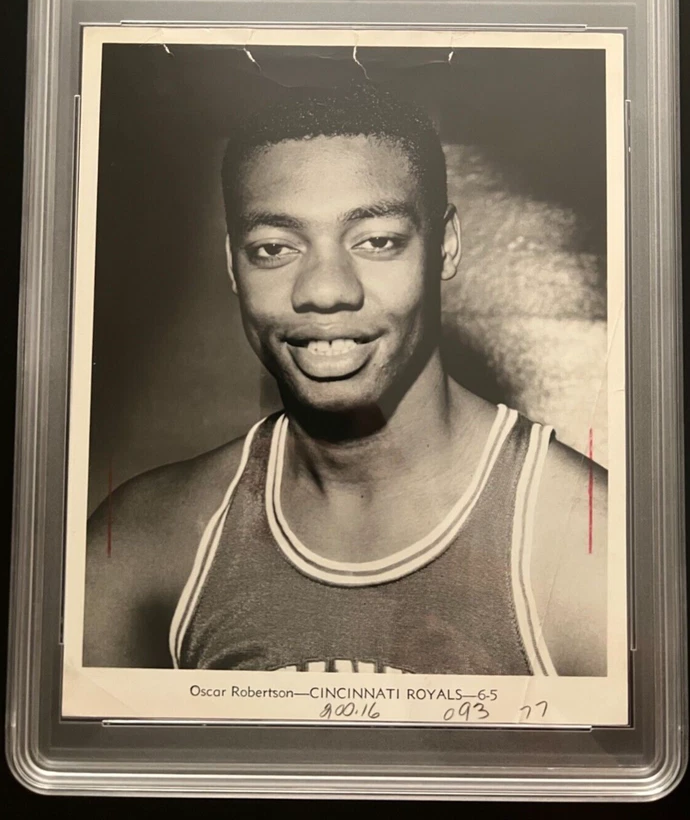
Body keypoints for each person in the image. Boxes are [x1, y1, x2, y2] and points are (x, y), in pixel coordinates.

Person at [84, 82, 607, 676]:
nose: (326, 290)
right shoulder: (141, 543)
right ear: (234, 265)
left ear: (446, 247)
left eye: (377, 241)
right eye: (275, 248)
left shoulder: (591, 554)